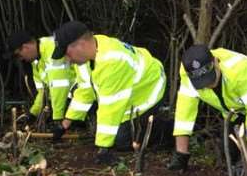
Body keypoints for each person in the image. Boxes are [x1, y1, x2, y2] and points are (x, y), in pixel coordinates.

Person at [51, 21, 166, 164]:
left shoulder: (112, 61)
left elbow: (111, 107)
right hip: (129, 92)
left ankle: (167, 131)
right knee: (110, 133)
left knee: (121, 140)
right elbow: (85, 91)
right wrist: (65, 125)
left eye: (67, 54)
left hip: (150, 89)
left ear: (80, 44)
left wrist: (104, 148)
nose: (68, 60)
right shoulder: (87, 56)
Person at [167, 44, 247, 172]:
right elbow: (184, 113)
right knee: (229, 156)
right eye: (202, 82)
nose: (208, 85)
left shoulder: (239, 69)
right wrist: (181, 154)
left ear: (216, 62)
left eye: (210, 78)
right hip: (236, 111)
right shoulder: (187, 73)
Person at [7, 31, 76, 123]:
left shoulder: (52, 49)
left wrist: (57, 119)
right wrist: (32, 114)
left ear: (25, 47)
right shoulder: (36, 62)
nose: (21, 59)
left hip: (85, 92)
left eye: (18, 55)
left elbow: (60, 87)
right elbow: (42, 92)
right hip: (74, 97)